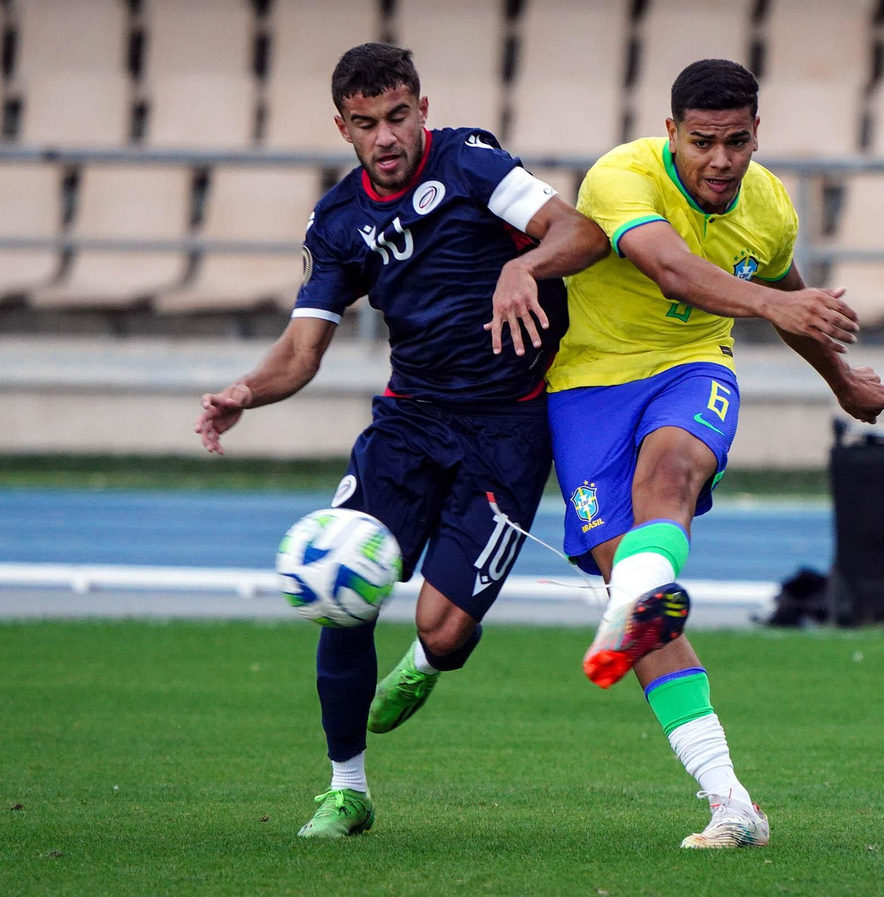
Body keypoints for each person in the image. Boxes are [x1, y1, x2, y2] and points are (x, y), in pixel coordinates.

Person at [193, 43, 609, 838]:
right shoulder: (340, 221)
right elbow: (302, 350)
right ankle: (346, 787)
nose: (385, 136)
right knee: (342, 597)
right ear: (343, 128)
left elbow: (578, 233)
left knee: (442, 630)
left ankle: (426, 664)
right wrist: (246, 390)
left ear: (422, 107)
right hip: (408, 425)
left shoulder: (472, 162)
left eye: (397, 116)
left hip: (508, 431)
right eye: (365, 123)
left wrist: (526, 269)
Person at [546, 58, 884, 849]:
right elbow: (671, 267)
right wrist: (778, 303)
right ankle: (733, 801)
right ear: (672, 133)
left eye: (738, 141)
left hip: (693, 368)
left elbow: (786, 284)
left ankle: (634, 596)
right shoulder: (621, 177)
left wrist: (839, 378)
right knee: (640, 607)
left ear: (757, 133)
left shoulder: (767, 204)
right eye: (703, 141)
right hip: (589, 386)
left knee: (668, 473)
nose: (721, 160)